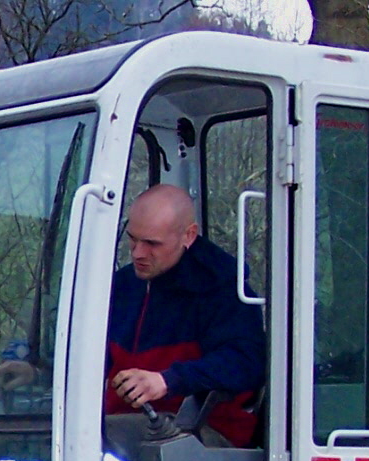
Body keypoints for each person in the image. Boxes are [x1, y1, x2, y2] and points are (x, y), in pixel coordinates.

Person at [105, 184, 265, 446]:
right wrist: (40, 368)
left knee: (89, 440)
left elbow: (247, 363)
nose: (137, 253)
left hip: (204, 432)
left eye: (152, 243)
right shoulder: (122, 286)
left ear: (188, 236)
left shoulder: (222, 289)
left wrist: (168, 380)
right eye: (132, 239)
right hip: (128, 426)